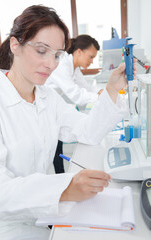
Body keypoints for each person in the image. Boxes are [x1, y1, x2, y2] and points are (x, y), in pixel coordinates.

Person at [0, 5, 134, 240]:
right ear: (15, 45)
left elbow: (87, 132)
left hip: (41, 215)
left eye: (57, 55)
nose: (51, 64)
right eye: (41, 51)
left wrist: (111, 91)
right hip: (2, 224)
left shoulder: (47, 97)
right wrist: (65, 188)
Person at [46, 35, 101, 174]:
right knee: (55, 147)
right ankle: (60, 177)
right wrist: (99, 97)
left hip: (52, 106)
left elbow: (86, 88)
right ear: (79, 52)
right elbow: (76, 95)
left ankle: (61, 174)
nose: (91, 61)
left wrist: (101, 92)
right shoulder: (62, 65)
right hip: (44, 107)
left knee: (58, 144)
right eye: (91, 57)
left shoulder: (74, 67)